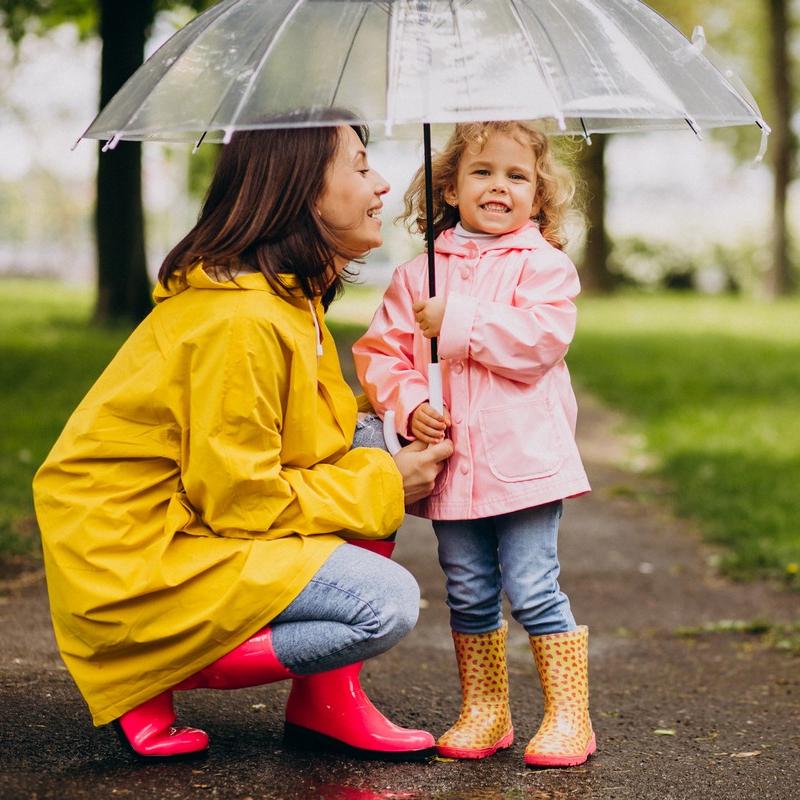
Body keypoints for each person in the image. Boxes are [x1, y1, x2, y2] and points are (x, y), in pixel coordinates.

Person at [32, 117, 453, 762]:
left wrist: (404, 414)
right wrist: (386, 483)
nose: (382, 184)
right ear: (304, 190)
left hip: (190, 519)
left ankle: (326, 703)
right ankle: (147, 667)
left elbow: (311, 440)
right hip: (138, 559)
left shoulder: (286, 298)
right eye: (361, 165)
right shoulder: (241, 319)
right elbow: (241, 500)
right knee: (384, 603)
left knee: (378, 438)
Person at [353, 121, 595, 768]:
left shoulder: (544, 267)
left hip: (525, 464)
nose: (499, 187)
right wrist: (412, 404)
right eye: (482, 172)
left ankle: (569, 716)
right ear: (450, 189)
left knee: (533, 585)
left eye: (517, 176)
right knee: (466, 588)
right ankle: (486, 709)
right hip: (454, 468)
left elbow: (539, 342)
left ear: (539, 195)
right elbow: (382, 355)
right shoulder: (418, 274)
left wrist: (457, 320)